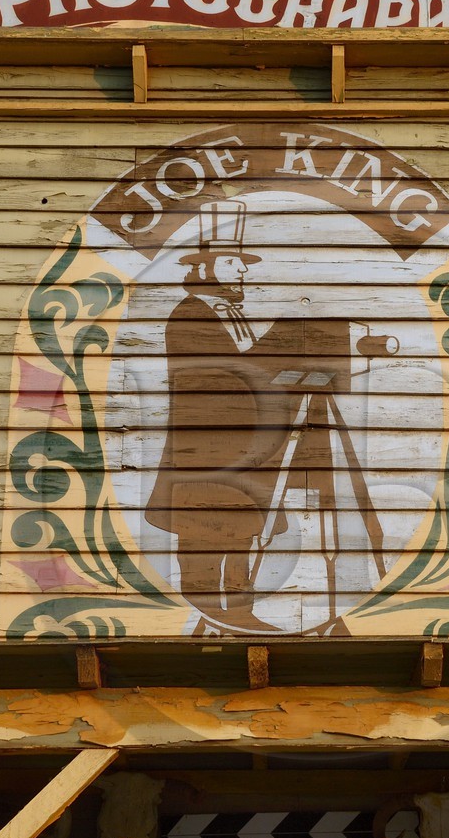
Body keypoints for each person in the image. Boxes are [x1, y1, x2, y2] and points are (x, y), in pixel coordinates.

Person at [146, 199, 348, 633]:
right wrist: (281, 344)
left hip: (243, 446)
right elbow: (226, 376)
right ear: (204, 268)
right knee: (203, 530)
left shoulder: (230, 314)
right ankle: (205, 611)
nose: (241, 270)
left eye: (241, 262)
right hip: (205, 450)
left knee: (241, 530)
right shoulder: (190, 314)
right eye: (231, 262)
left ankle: (239, 612)